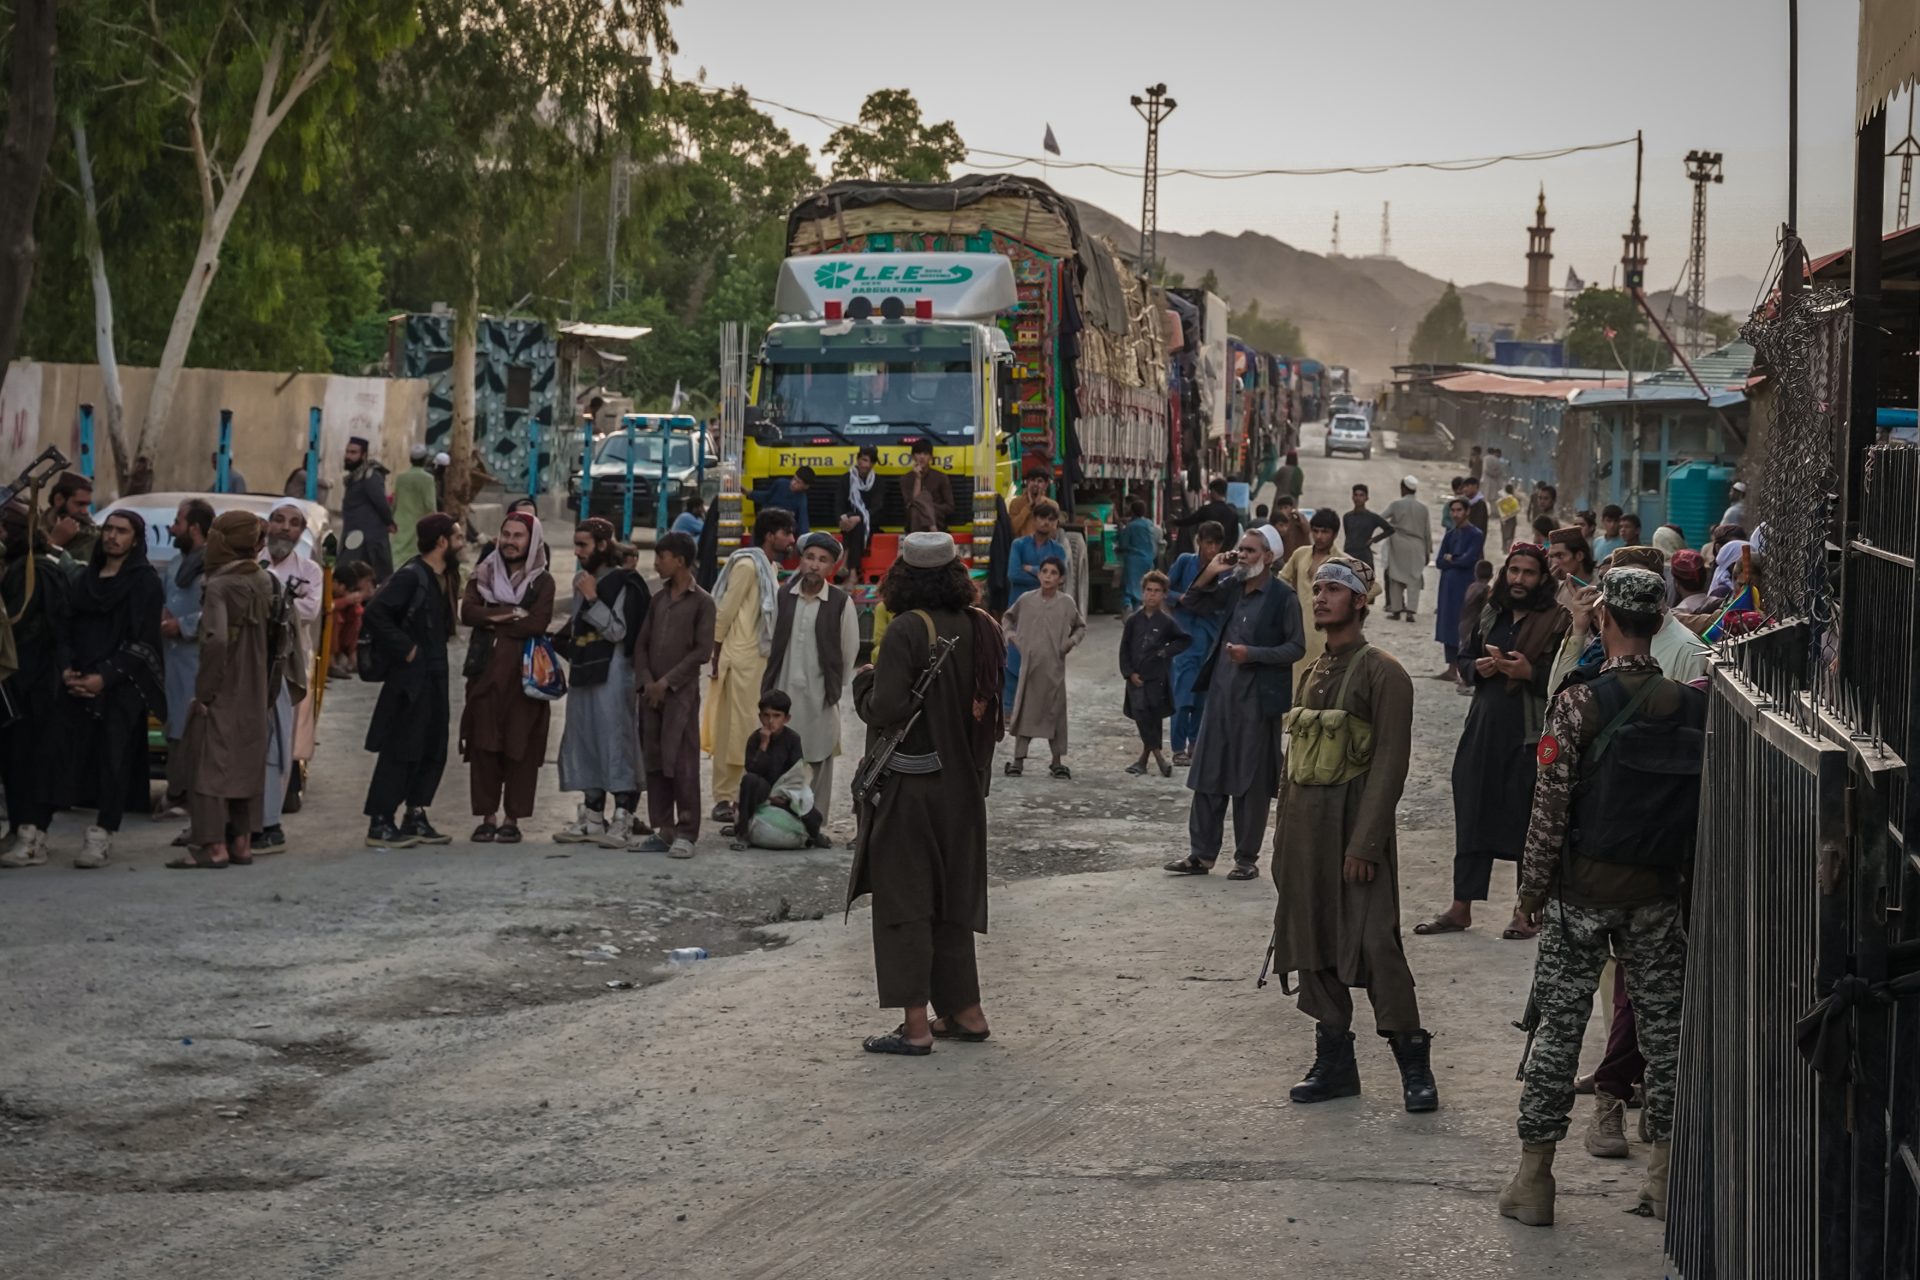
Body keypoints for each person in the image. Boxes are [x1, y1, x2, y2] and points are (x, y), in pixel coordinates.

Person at [1500, 566, 1701, 1228]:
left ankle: (1535, 1181)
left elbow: (1548, 811)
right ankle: (1666, 1182)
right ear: (1661, 619)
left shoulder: (1580, 702)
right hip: (1656, 896)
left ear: (1607, 619)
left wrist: (1529, 896)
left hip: (1581, 894)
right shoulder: (1691, 707)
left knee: (1559, 1029)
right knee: (1667, 1039)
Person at [1271, 557, 1437, 1112]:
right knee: (1312, 942)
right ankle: (1335, 1063)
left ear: (1360, 601)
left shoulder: (1383, 672)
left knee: (1375, 945)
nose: (1320, 597)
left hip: (1352, 839)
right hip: (1304, 836)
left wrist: (1365, 844)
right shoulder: (1311, 671)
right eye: (1317, 589)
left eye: (1334, 589)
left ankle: (1414, 1065)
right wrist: (1281, 842)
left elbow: (1390, 764)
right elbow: (1292, 762)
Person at [848, 531, 1003, 1055]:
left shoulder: (908, 630)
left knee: (905, 902)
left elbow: (886, 707)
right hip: (964, 791)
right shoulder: (981, 626)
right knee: (950, 903)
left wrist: (863, 682)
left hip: (911, 792)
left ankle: (916, 1028)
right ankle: (966, 1013)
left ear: (903, 576)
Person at [1418, 544, 1569, 938]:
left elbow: (1566, 679)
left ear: (1541, 579)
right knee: (1472, 811)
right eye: (1514, 571)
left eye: (1528, 573)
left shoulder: (1557, 620)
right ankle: (1461, 906)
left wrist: (1528, 673)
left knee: (1526, 820)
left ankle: (1524, 913)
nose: (1519, 580)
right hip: (1483, 728)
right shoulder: (1491, 611)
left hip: (1528, 734)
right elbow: (1464, 661)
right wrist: (1478, 668)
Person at [1163, 525, 1306, 882]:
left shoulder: (1282, 598)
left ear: (1269, 558)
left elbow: (1296, 647)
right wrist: (1212, 569)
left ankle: (1246, 858)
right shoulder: (1232, 587)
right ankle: (1201, 855)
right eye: (1240, 549)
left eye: (1250, 551)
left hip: (1257, 705)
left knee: (1251, 783)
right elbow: (1191, 603)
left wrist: (1252, 654)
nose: (1242, 556)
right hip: (1221, 698)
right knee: (1209, 775)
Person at [49, 511, 167, 868]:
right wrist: (69, 668)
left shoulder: (144, 582)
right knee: (60, 752)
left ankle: (101, 834)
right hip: (78, 680)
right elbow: (66, 626)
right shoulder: (85, 579)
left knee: (113, 758)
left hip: (120, 685)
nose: (113, 537)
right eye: (109, 530)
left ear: (135, 538)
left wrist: (105, 677)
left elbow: (144, 641)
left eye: (122, 531)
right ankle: (34, 830)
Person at [170, 512, 272, 868]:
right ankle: (242, 843)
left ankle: (212, 847)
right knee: (245, 763)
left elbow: (214, 641)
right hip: (256, 687)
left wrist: (205, 693)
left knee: (208, 767)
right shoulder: (262, 579)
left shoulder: (219, 585)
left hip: (224, 686)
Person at [361, 512, 462, 848]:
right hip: (410, 675)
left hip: (436, 671)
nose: (462, 543)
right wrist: (405, 649)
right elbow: (375, 612)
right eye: (457, 537)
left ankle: (415, 815)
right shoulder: (411, 576)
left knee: (432, 744)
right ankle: (381, 821)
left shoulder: (446, 576)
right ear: (442, 541)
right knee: (401, 746)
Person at [459, 511, 556, 844]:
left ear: (531, 542)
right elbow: (468, 612)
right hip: (485, 674)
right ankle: (487, 817)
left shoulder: (542, 581)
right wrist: (512, 613)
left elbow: (537, 623)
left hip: (525, 681)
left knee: (520, 749)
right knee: (483, 746)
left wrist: (492, 618)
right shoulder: (484, 572)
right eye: (506, 534)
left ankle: (511, 819)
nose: (511, 542)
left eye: (519, 536)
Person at [553, 517, 650, 848]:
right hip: (585, 669)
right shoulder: (583, 579)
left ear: (603, 545)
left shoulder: (624, 582)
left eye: (583, 545)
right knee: (585, 737)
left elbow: (619, 632)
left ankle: (623, 816)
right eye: (576, 544)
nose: (577, 551)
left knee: (615, 741)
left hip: (615, 674)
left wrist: (593, 599)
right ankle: (592, 815)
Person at [761, 532, 859, 839]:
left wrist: (832, 690)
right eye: (810, 557)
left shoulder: (840, 603)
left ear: (832, 568)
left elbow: (848, 651)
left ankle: (816, 826)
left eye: (823, 560)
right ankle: (780, 821)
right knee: (780, 757)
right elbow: (770, 639)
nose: (814, 565)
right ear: (801, 561)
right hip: (784, 690)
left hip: (818, 695)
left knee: (818, 756)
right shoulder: (783, 597)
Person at [707, 508, 799, 826]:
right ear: (770, 535)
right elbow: (725, 611)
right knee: (735, 731)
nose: (791, 539)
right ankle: (724, 797)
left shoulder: (768, 567)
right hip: (740, 658)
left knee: (752, 729)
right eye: (787, 532)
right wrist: (716, 654)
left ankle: (746, 794)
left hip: (757, 660)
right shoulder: (748, 565)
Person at [0, 497, 72, 868]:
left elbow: (55, 631)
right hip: (16, 684)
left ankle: (33, 835)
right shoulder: (16, 569)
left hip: (40, 685)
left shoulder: (41, 571)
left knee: (36, 759)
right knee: (15, 759)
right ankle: (18, 828)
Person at [635, 531, 715, 858]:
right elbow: (641, 645)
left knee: (682, 762)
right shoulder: (658, 599)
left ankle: (686, 831)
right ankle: (663, 828)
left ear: (679, 560)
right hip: (650, 694)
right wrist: (647, 681)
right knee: (654, 759)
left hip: (680, 694)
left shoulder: (703, 602)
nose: (656, 564)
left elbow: (702, 652)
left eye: (661, 557)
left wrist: (666, 682)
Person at [255, 502, 324, 853]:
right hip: (248, 668)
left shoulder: (309, 570)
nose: (284, 528)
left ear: (300, 533)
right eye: (278, 520)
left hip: (287, 669)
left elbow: (309, 611)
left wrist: (266, 602)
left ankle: (270, 821)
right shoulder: (253, 562)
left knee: (280, 746)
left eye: (294, 524)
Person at [1002, 558, 1086, 779]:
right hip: (1030, 669)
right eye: (1044, 572)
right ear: (1039, 575)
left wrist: (1069, 643)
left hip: (1054, 670)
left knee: (1055, 714)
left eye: (1053, 573)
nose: (1048, 576)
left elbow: (1080, 626)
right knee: (1024, 712)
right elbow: (1008, 619)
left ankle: (1056, 761)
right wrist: (1014, 638)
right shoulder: (1026, 600)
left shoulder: (1067, 603)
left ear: (1061, 578)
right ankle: (1018, 760)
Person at [159, 499, 213, 820]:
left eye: (177, 522)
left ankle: (185, 797)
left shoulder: (213, 565)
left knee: (191, 729)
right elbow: (167, 600)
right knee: (174, 727)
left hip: (197, 660)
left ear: (193, 528)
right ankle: (176, 792)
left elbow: (218, 612)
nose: (172, 528)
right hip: (171, 661)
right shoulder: (176, 564)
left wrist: (183, 625)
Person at [727, 690, 825, 849]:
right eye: (766, 715)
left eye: (776, 716)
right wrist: (763, 745)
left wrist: (786, 797)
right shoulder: (755, 739)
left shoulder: (793, 739)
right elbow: (752, 770)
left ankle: (814, 836)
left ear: (786, 718)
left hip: (785, 792)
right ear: (760, 717)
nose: (770, 720)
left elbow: (797, 771)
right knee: (749, 780)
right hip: (762, 791)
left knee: (813, 816)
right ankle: (742, 834)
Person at [1167, 520, 1226, 765]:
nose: (1211, 549)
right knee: (1182, 695)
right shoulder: (1185, 562)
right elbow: (1164, 589)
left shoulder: (1225, 569)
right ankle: (1178, 747)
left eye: (1216, 544)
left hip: (1210, 639)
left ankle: (1196, 745)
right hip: (1184, 638)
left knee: (1202, 696)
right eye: (1207, 543)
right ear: (1199, 542)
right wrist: (1179, 598)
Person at [1119, 570, 1189, 778]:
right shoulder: (1133, 621)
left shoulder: (1166, 622)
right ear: (1142, 592)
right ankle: (1159, 757)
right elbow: (1124, 649)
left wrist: (1165, 652)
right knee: (1140, 715)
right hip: (1136, 679)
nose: (1152, 595)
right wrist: (1129, 673)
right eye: (1149, 590)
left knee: (1153, 717)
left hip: (1156, 679)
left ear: (1164, 594)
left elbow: (1184, 640)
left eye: (1157, 591)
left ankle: (1143, 760)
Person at [1003, 498, 1069, 714]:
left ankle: (1036, 710)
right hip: (1021, 609)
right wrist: (1045, 579)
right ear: (1034, 519)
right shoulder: (1019, 544)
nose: (1046, 523)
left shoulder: (1058, 550)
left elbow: (1061, 579)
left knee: (1043, 659)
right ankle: (1009, 709)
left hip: (1046, 611)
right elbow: (1013, 574)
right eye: (1042, 518)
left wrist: (1030, 569)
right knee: (1014, 657)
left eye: (1051, 519)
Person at [1280, 509, 1343, 693]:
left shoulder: (1342, 561)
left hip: (1326, 636)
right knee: (1296, 686)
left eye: (1325, 532)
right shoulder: (1301, 554)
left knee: (1322, 688)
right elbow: (1282, 580)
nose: (1319, 536)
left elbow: (1371, 588)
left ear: (1335, 534)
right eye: (1315, 531)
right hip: (1298, 633)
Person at [1433, 498, 1484, 674]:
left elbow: (1468, 560)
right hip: (1447, 586)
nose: (1455, 514)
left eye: (1459, 510)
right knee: (1447, 622)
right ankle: (1450, 667)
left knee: (1462, 623)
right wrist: (1454, 559)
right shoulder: (1450, 534)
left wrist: (1452, 558)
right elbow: (1439, 561)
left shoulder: (1475, 534)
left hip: (1464, 585)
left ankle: (1462, 668)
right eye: (1453, 510)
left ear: (1467, 511)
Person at [340, 437, 396, 583]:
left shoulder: (370, 476)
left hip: (367, 539)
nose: (348, 456)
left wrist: (389, 521)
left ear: (363, 455)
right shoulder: (356, 476)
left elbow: (381, 502)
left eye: (353, 452)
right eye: (347, 452)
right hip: (354, 534)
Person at [1380, 477, 1432, 623]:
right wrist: (1428, 551)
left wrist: (1392, 527)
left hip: (1399, 544)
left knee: (1395, 576)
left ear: (1403, 488)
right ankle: (1410, 612)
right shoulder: (1423, 508)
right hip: (1417, 546)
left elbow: (1381, 518)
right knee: (1414, 579)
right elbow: (1427, 531)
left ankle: (1396, 611)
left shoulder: (1396, 505)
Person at [390, 444, 439, 566]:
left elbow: (395, 502)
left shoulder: (401, 478)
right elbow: (430, 505)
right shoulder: (427, 479)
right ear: (425, 459)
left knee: (398, 552)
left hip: (400, 521)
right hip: (419, 522)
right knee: (414, 555)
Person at [836, 446, 879, 580]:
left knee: (858, 523)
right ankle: (853, 571)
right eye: (860, 459)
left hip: (871, 522)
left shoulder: (878, 482)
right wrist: (841, 518)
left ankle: (847, 564)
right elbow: (838, 503)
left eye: (866, 460)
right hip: (847, 522)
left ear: (872, 464)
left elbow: (877, 507)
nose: (861, 463)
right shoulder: (846, 479)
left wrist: (860, 518)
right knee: (851, 519)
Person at [329, 560, 376, 679]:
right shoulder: (326, 587)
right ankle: (331, 662)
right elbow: (328, 606)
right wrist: (347, 600)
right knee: (335, 617)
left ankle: (352, 657)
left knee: (355, 614)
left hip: (345, 640)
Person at [1172, 476, 1241, 550]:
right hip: (1224, 555)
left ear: (1213, 492)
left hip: (1207, 554)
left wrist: (1174, 522)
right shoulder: (1233, 513)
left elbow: (1189, 521)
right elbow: (1235, 537)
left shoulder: (1207, 510)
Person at [900, 439, 954, 533]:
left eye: (925, 454)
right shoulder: (906, 479)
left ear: (930, 457)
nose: (922, 457)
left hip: (937, 519)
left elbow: (950, 507)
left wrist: (929, 507)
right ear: (913, 456)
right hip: (914, 520)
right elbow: (910, 503)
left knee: (922, 500)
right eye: (918, 453)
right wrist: (917, 478)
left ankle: (917, 542)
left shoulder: (941, 477)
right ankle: (931, 527)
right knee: (917, 507)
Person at [45, 472, 99, 565]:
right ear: (59, 500)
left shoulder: (94, 538)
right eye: (80, 504)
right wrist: (54, 542)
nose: (85, 511)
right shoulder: (33, 531)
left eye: (87, 505)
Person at [1115, 500, 1157, 613]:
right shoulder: (1149, 524)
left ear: (1132, 512)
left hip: (1133, 561)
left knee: (1128, 588)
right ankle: (1138, 608)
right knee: (1141, 586)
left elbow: (1123, 544)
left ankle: (1127, 605)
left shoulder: (1130, 527)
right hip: (1148, 561)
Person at [1341, 485, 1393, 571]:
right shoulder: (1347, 517)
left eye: (1361, 495)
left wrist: (1373, 539)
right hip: (1348, 555)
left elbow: (1390, 529)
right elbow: (1348, 535)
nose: (1358, 498)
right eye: (1356, 495)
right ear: (1352, 497)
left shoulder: (1372, 517)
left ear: (1366, 498)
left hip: (1364, 557)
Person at [751, 466, 814, 531]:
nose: (793, 483)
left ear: (806, 486)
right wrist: (749, 493)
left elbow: (803, 523)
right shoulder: (780, 483)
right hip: (764, 523)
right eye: (794, 478)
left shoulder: (801, 500)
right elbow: (766, 496)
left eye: (798, 482)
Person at [1006, 468, 1052, 539]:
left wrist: (1038, 507)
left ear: (1046, 485)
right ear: (1027, 482)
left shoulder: (1051, 505)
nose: (1035, 484)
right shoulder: (1016, 503)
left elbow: (1052, 534)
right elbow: (1012, 530)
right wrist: (1028, 507)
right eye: (1032, 480)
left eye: (1039, 481)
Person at [1271, 494, 1311, 561]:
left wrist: (1298, 514)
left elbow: (1307, 529)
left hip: (1302, 558)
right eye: (1281, 508)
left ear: (1292, 508)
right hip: (1287, 559)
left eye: (1286, 507)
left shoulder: (1298, 521)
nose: (1283, 510)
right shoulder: (1277, 523)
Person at [1495, 484, 1523, 553]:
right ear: (1512, 490)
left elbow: (1499, 510)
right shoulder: (1513, 499)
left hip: (1503, 519)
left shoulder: (1501, 500)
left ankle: (1504, 548)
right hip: (1512, 519)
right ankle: (1508, 548)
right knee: (1511, 534)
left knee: (1504, 533)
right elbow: (1517, 509)